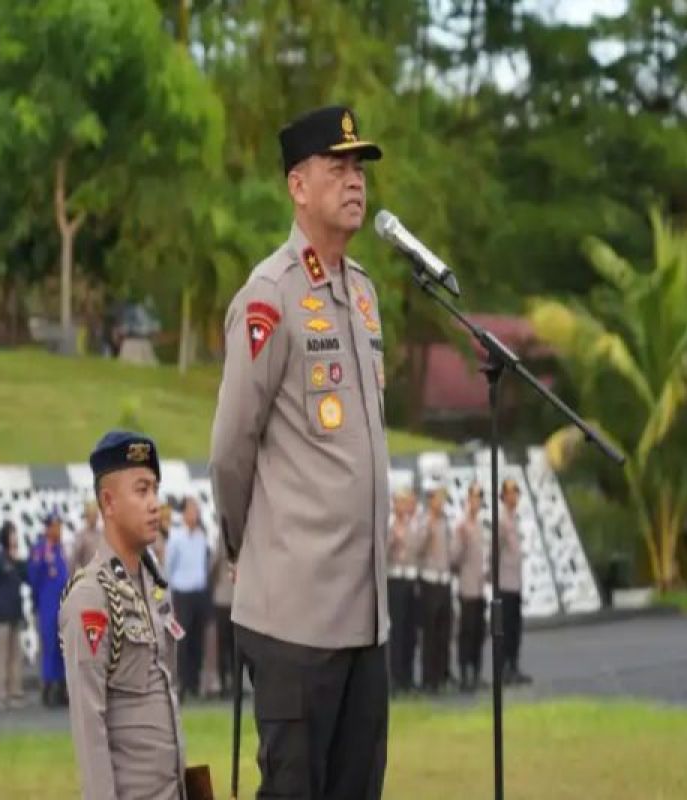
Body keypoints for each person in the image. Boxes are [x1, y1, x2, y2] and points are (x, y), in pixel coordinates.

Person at [210, 104, 389, 799]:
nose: (355, 181)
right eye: (337, 167)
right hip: (296, 617)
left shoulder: (365, 295)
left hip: (364, 618)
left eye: (360, 168)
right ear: (297, 185)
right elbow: (231, 448)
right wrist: (245, 546)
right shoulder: (270, 298)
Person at [60, 431, 185, 799]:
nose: (154, 504)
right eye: (142, 490)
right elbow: (88, 724)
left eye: (155, 491)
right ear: (109, 503)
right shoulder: (90, 598)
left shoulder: (155, 586)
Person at [165, 497, 211, 701]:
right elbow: (168, 567)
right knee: (182, 640)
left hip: (199, 593)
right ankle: (181, 683)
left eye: (197, 511)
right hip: (182, 593)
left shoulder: (201, 536)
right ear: (184, 514)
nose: (196, 515)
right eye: (192, 511)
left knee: (197, 640)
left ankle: (194, 682)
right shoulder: (176, 538)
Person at [415, 487, 457, 694]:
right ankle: (428, 678)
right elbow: (417, 549)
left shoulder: (445, 522)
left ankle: (442, 674)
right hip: (429, 581)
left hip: (444, 580)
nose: (441, 503)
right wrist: (427, 531)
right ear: (430, 501)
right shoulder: (425, 521)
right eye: (438, 499)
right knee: (430, 633)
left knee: (444, 631)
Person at [0, 521, 28, 710]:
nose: (15, 537)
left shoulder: (15, 560)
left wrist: (18, 560)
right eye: (12, 534)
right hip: (2, 613)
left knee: (15, 655)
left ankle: (15, 692)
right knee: (2, 655)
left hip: (15, 612)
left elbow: (26, 577)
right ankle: (0, 694)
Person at [29, 512, 69, 707]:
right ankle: (48, 688)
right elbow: (34, 580)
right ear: (48, 528)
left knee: (63, 647)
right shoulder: (40, 550)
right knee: (50, 646)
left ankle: (62, 687)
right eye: (56, 526)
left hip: (62, 605)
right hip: (47, 606)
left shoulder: (61, 549)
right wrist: (37, 602)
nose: (59, 530)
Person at [455, 482, 488, 693]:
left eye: (479, 498)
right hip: (467, 587)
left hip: (481, 587)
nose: (476, 502)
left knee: (479, 632)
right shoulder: (461, 526)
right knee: (466, 633)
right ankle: (465, 674)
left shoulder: (482, 526)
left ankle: (476, 672)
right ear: (468, 500)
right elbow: (455, 557)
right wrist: (462, 541)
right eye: (474, 497)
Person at [499, 479, 532, 685]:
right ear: (503, 496)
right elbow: (495, 550)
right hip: (504, 583)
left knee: (514, 629)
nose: (514, 496)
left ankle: (513, 666)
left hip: (515, 582)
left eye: (516, 493)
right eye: (510, 493)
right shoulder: (501, 520)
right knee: (505, 629)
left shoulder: (514, 518)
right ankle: (503, 669)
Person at [386, 489, 419, 695]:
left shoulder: (411, 526)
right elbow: (384, 552)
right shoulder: (389, 526)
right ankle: (395, 678)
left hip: (410, 579)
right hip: (395, 579)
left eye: (406, 502)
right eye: (401, 502)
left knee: (410, 632)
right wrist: (392, 539)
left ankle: (408, 677)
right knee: (397, 631)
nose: (404, 506)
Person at [208, 532, 235, 701]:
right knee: (232, 646)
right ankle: (231, 683)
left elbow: (213, 568)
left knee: (225, 645)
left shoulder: (222, 542)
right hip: (233, 599)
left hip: (224, 599)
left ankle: (226, 684)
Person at [70, 502, 101, 570]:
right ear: (86, 516)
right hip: (87, 573)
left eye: (95, 515)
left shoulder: (101, 534)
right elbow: (74, 559)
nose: (94, 518)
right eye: (91, 515)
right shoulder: (81, 535)